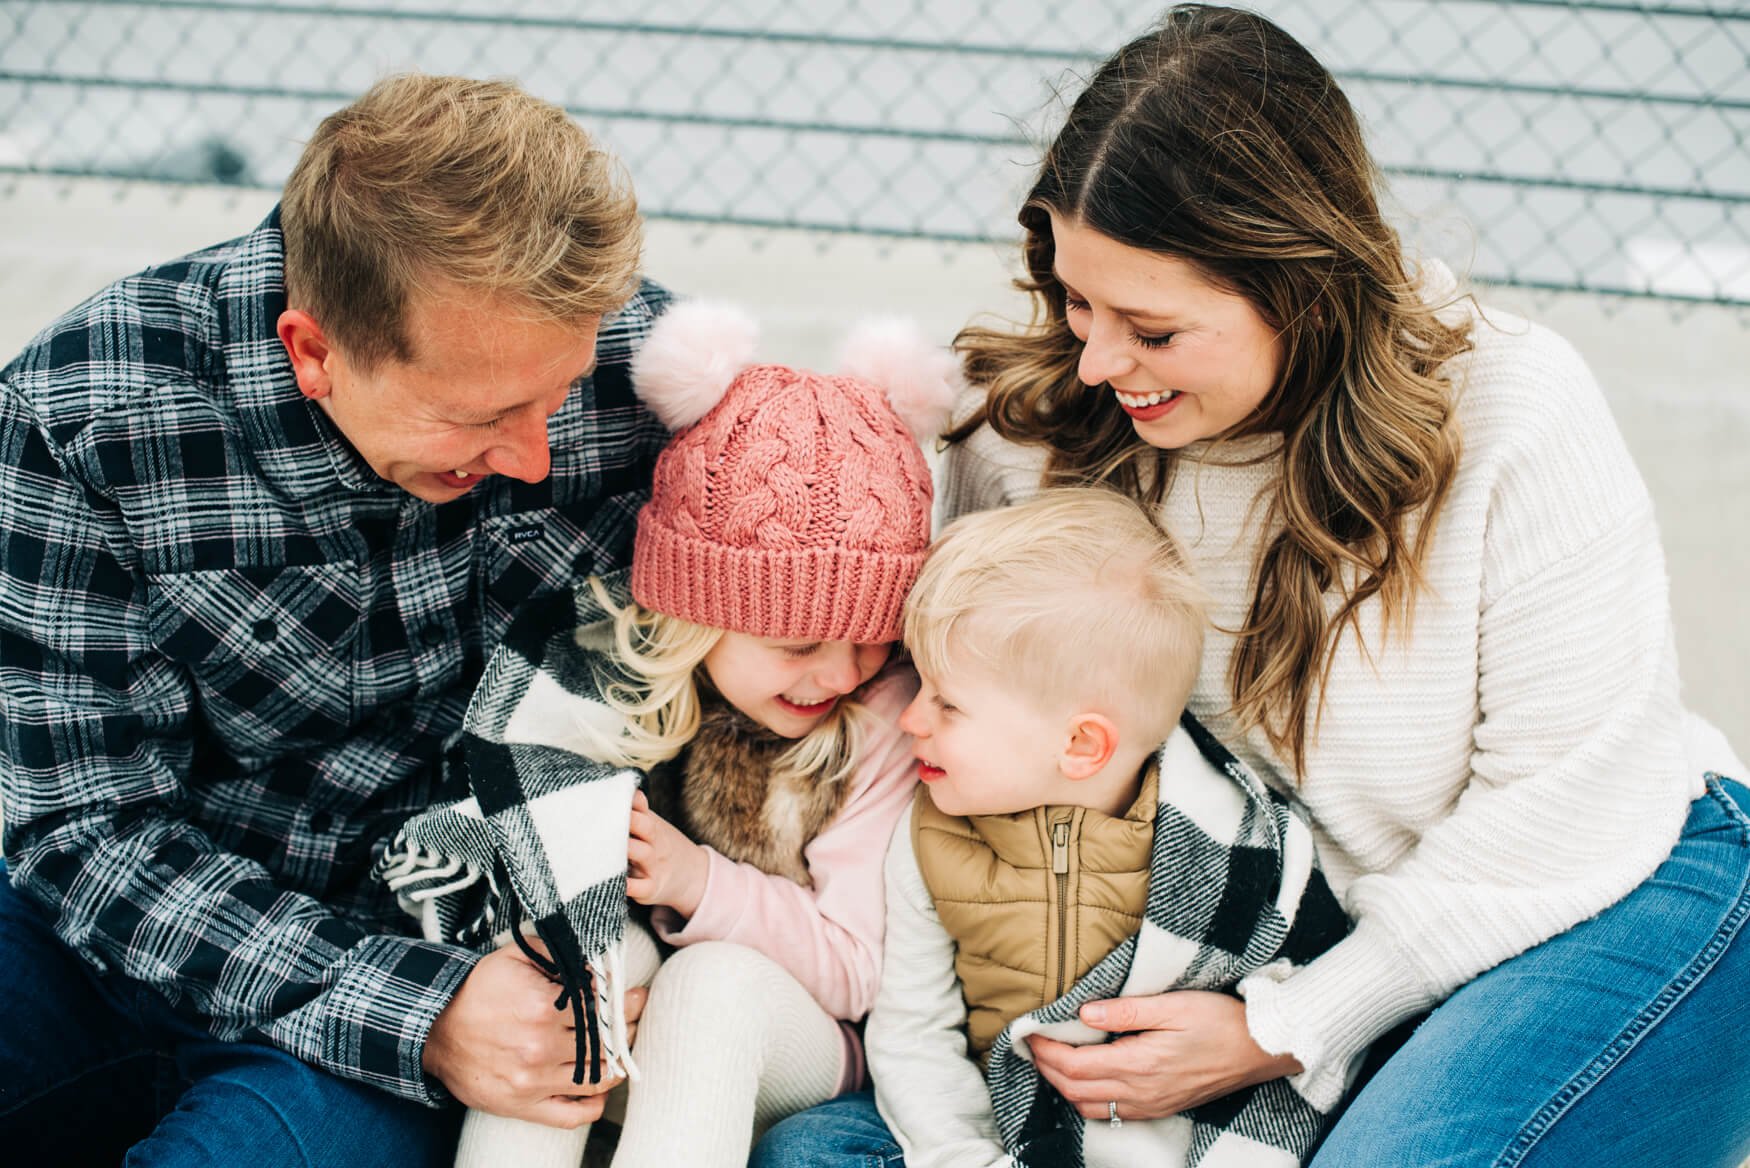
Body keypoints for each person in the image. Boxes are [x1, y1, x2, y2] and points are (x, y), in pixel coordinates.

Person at [754, 6, 1750, 1167]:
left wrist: (1285, 1028)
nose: (1097, 360)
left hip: (1600, 887)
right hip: (1237, 940)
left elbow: (1562, 808)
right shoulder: (1035, 432)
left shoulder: (1511, 410)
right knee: (827, 1154)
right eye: (1078, 300)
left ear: (1302, 291)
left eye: (1153, 329)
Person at [0, 74, 672, 1167]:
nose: (539, 453)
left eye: (555, 394)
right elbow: (85, 831)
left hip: (430, 950)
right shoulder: (84, 419)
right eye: (484, 416)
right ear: (313, 350)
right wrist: (422, 1013)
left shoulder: (644, 375)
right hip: (119, 932)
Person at [380, 300, 958, 1168]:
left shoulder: (882, 719)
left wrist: (703, 884)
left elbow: (858, 968)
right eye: (798, 642)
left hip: (811, 1041)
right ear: (698, 616)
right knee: (570, 964)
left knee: (711, 984)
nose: (842, 673)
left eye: (872, 636)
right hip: (653, 1028)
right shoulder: (613, 686)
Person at [865, 487, 1353, 1168]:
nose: (909, 719)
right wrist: (961, 1155)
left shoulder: (1246, 846)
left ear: (1082, 746)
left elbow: (1311, 994)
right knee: (808, 1150)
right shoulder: (929, 841)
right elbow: (914, 1033)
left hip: (1192, 1144)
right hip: (1015, 1138)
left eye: (947, 703)